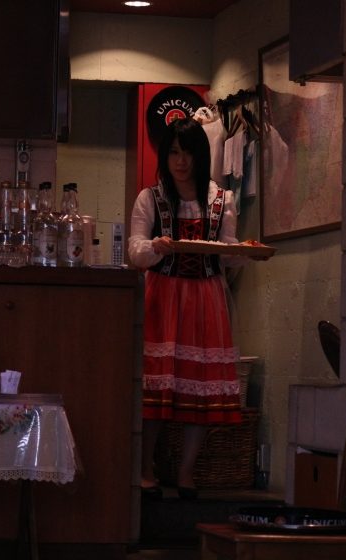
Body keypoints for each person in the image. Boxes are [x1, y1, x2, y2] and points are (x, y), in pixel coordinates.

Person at [128, 117, 251, 500]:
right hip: (162, 297)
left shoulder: (221, 200)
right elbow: (135, 251)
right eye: (174, 153)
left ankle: (186, 473)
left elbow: (226, 253)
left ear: (201, 155)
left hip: (206, 298)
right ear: (165, 157)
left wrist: (243, 252)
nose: (181, 161)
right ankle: (145, 469)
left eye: (188, 153)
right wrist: (155, 247)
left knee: (200, 391)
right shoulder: (151, 198)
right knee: (156, 389)